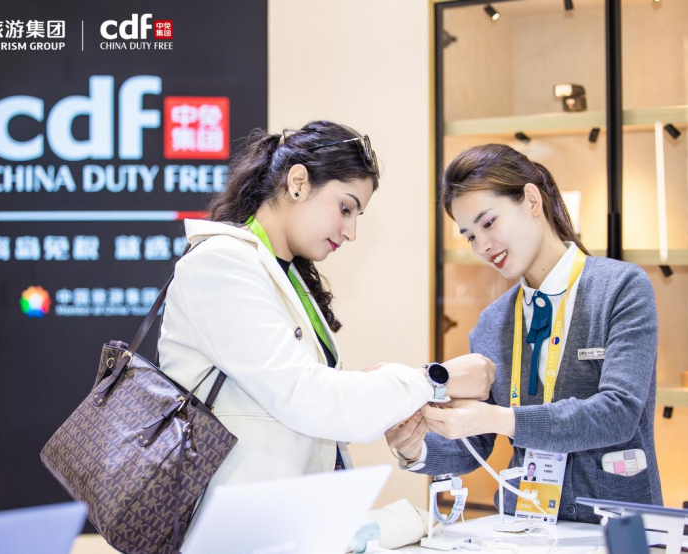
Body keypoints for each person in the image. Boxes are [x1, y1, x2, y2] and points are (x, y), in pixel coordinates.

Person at [157, 121, 495, 504]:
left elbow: (308, 395)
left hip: (281, 512)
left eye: (357, 216)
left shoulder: (284, 275)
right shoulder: (222, 263)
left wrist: (371, 389)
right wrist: (435, 380)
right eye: (345, 208)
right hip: (236, 517)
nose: (351, 232)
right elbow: (306, 397)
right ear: (298, 183)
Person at [386, 143, 662, 523]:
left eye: (488, 223)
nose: (482, 247)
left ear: (532, 200)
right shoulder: (492, 322)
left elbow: (618, 413)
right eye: (470, 236)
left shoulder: (621, 289)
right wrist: (415, 449)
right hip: (523, 527)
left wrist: (498, 418)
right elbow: (473, 445)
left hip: (616, 527)